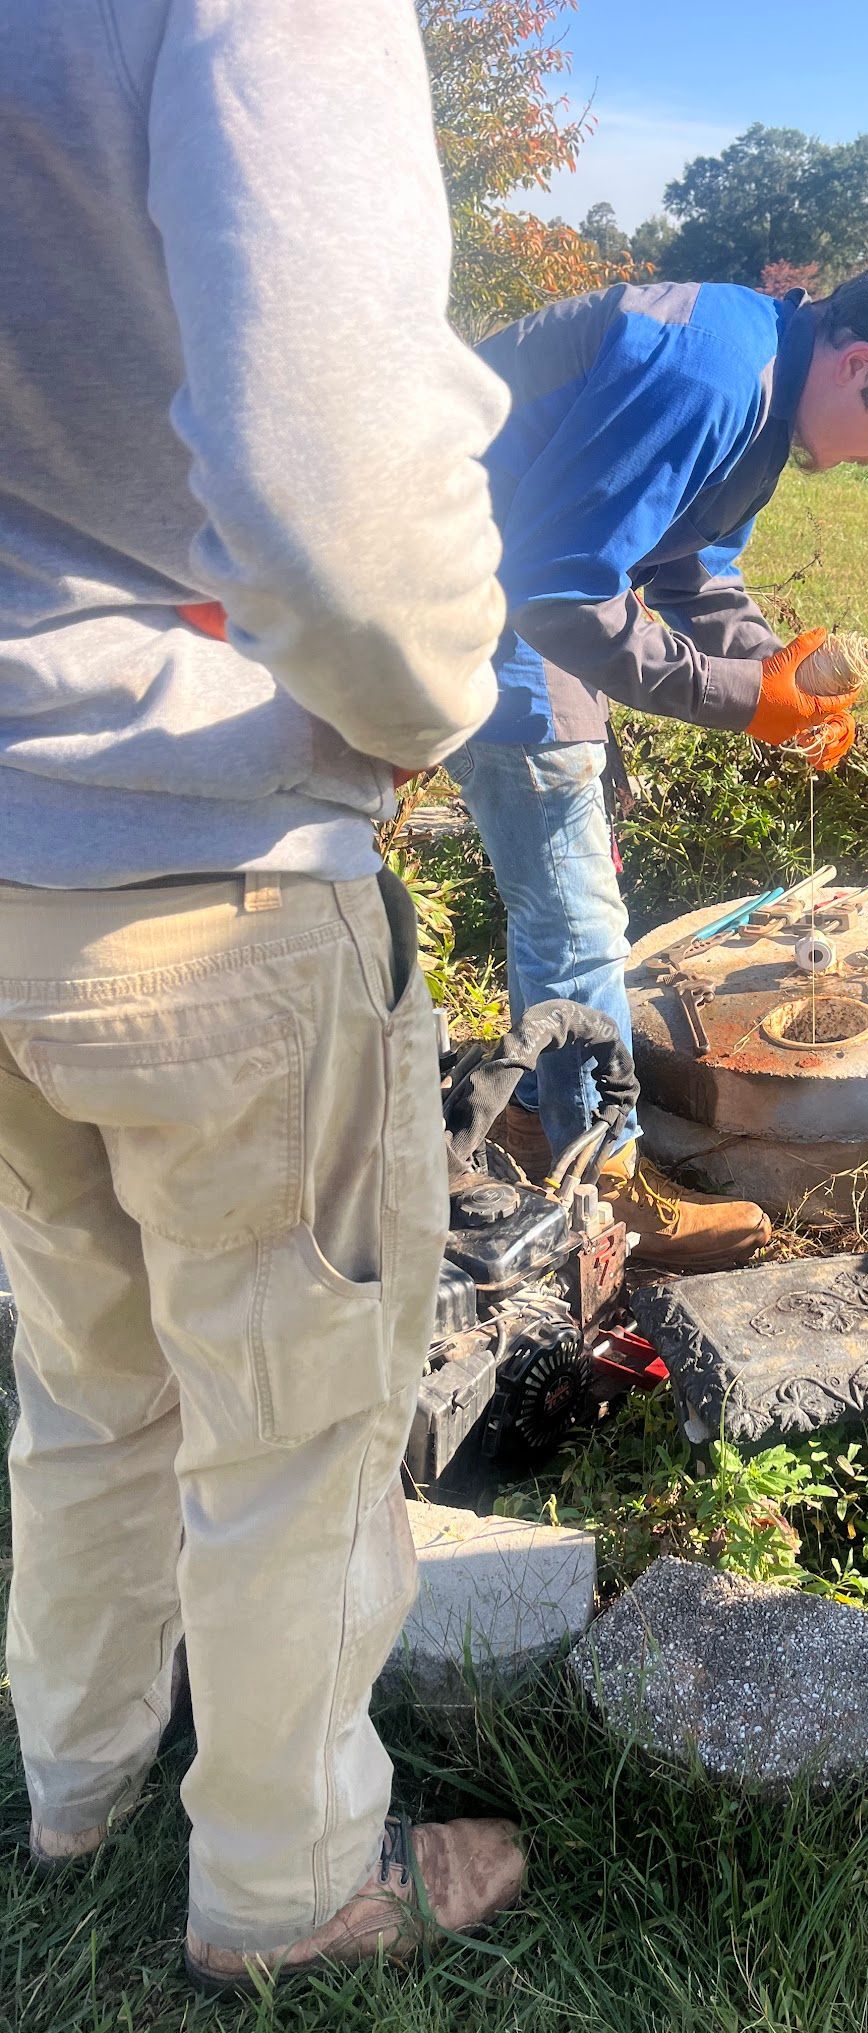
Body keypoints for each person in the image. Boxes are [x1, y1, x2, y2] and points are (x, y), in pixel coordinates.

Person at [0, 0, 526, 1993]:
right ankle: (289, 1877)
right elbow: (332, 482)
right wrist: (414, 716)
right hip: (199, 876)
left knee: (83, 1370)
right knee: (291, 1420)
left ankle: (75, 1770)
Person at [460, 252, 868, 1267]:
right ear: (855, 362)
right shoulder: (709, 373)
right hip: (462, 586)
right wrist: (740, 701)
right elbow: (559, 592)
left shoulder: (764, 386)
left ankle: (546, 1120)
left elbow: (692, 563)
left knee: (568, 888)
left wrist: (782, 680)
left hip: (518, 578)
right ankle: (600, 1188)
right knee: (575, 912)